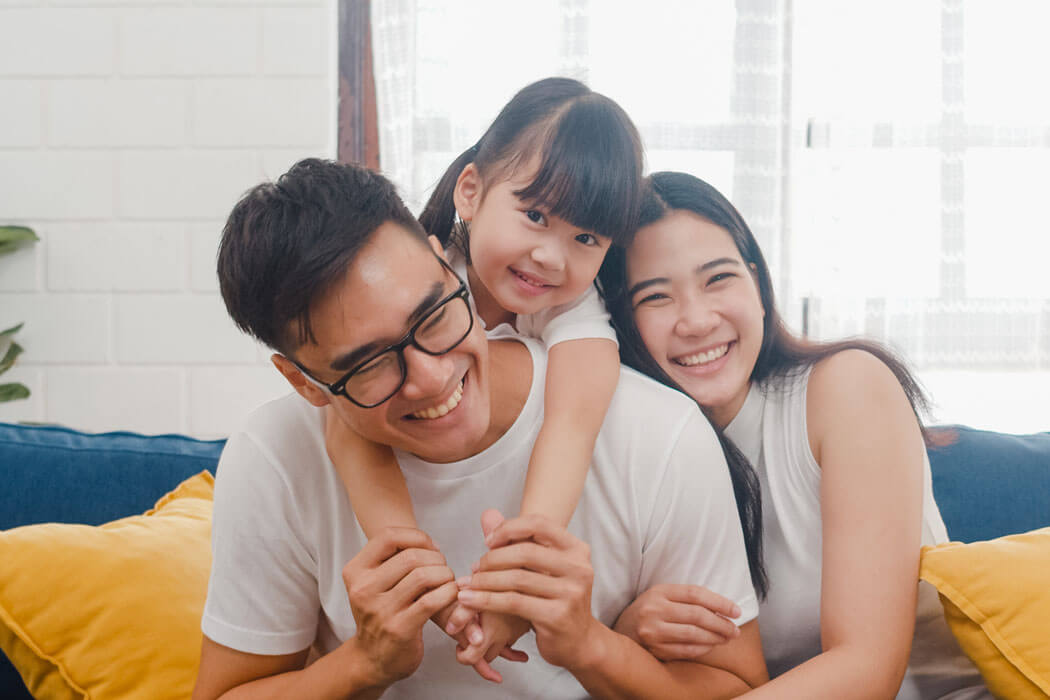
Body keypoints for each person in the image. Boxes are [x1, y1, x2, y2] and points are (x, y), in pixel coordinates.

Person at [193, 159, 768, 698]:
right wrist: (363, 664)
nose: (432, 376)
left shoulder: (656, 432)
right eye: (369, 365)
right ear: (304, 383)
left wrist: (589, 645)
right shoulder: (274, 455)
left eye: (434, 315)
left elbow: (737, 685)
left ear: (448, 264)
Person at [597, 171, 991, 699]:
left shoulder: (845, 388)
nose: (696, 320)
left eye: (718, 279)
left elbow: (867, 670)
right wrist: (627, 634)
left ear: (758, 287)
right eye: (656, 297)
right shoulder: (639, 453)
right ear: (622, 324)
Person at [323, 77, 642, 673]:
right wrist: (429, 592)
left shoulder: (576, 311)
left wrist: (521, 576)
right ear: (470, 191)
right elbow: (346, 429)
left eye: (586, 237)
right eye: (535, 214)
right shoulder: (423, 275)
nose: (552, 255)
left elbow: (572, 425)